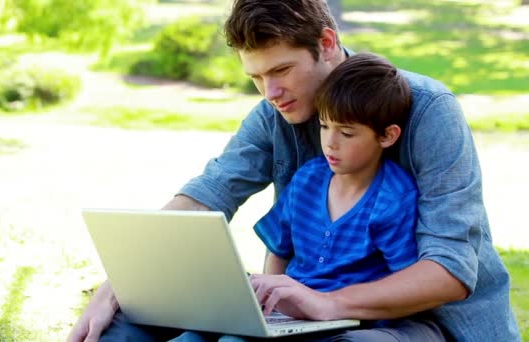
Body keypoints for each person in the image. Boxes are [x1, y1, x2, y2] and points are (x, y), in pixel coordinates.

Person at [68, 0, 521, 341]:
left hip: (423, 322)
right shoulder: (274, 115)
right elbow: (212, 191)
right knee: (124, 325)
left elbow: (450, 272)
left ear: (326, 44)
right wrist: (123, 282)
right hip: (307, 309)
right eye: (256, 78)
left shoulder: (427, 110)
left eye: (281, 69)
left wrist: (326, 303)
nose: (271, 92)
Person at [171, 52, 445, 341]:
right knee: (193, 336)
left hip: (342, 320)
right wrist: (270, 298)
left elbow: (403, 282)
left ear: (387, 136)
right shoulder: (308, 178)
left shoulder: (394, 198)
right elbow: (280, 249)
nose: (330, 143)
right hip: (288, 311)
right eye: (324, 127)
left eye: (347, 133)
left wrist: (337, 307)